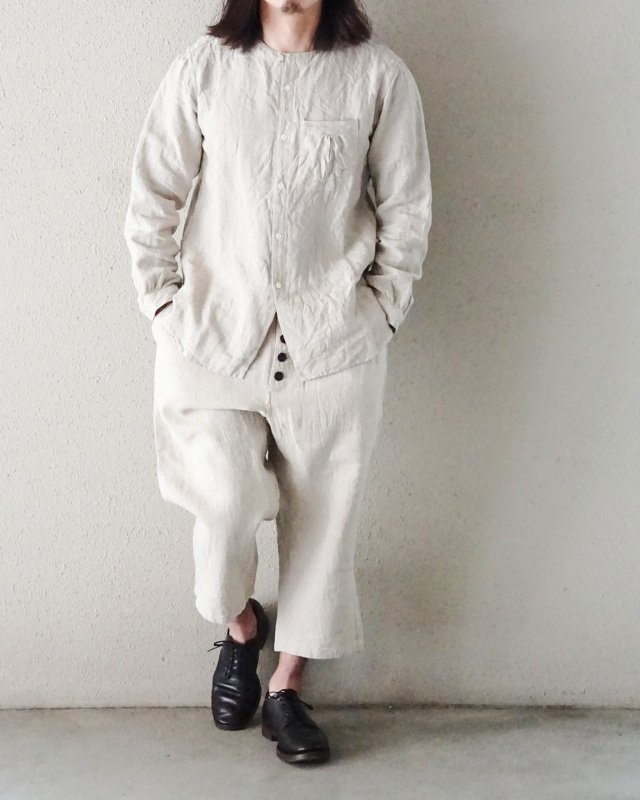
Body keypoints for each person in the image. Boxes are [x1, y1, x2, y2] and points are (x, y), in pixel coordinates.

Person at [124, 0, 432, 767]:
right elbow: (154, 192)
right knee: (224, 503)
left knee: (325, 523)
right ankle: (240, 627)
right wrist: (163, 304)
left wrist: (381, 314)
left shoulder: (379, 78)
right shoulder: (204, 69)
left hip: (334, 344)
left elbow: (407, 206)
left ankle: (289, 687)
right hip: (211, 338)